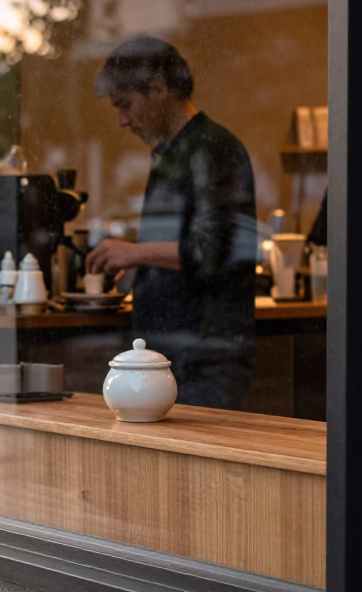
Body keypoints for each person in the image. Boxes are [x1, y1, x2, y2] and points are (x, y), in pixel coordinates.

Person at [87, 34, 257, 410]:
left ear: (161, 88)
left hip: (205, 360)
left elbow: (213, 251)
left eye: (126, 105)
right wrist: (139, 270)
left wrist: (133, 253)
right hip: (173, 355)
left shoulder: (213, 149)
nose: (122, 120)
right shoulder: (169, 155)